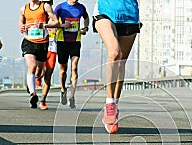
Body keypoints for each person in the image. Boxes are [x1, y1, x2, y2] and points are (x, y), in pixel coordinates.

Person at [93, 0, 141, 133]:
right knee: (114, 52)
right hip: (105, 11)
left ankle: (114, 104)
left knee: (121, 61)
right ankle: (109, 103)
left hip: (129, 14)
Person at [19, 0, 59, 108]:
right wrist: (21, 27)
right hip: (28, 42)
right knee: (32, 66)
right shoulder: (24, 8)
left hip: (42, 44)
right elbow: (21, 22)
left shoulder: (45, 6)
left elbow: (56, 22)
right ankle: (33, 94)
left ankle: (31, 82)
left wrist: (44, 25)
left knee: (40, 71)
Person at [55, 0, 90, 108]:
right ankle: (62, 89)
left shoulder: (81, 7)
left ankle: (72, 96)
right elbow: (53, 22)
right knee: (63, 70)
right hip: (62, 41)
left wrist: (85, 27)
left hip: (75, 41)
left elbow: (86, 18)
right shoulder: (60, 7)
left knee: (74, 68)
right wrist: (62, 25)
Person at [36, 0, 58, 110]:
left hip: (52, 50)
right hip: (40, 47)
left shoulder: (55, 18)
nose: (47, 4)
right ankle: (37, 77)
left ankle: (43, 100)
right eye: (44, 2)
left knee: (48, 76)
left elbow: (61, 26)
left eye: (49, 2)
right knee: (39, 71)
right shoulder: (38, 17)